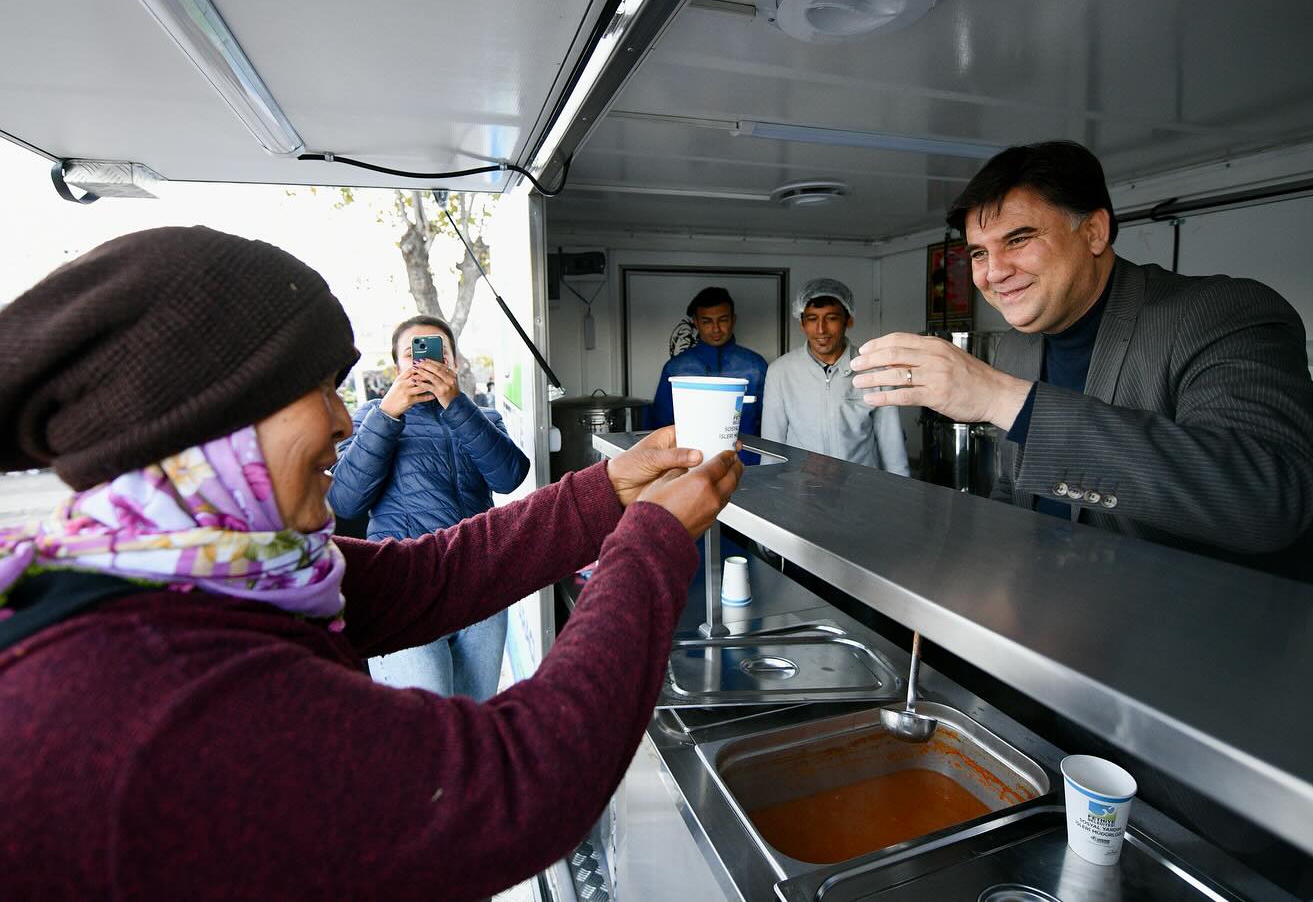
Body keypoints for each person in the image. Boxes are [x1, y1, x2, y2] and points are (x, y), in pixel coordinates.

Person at [0, 226, 742, 899]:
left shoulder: (213, 571)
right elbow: (516, 785)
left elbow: (430, 574)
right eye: (317, 389)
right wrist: (649, 543)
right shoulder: (155, 699)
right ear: (209, 418)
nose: (344, 418)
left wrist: (609, 490)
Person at [851, 139, 1313, 588]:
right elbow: (1015, 487)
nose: (994, 272)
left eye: (1018, 239)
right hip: (1068, 631)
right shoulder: (1017, 348)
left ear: (1093, 231)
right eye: (980, 252)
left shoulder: (1220, 312)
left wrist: (1002, 398)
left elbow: (1269, 499)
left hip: (1220, 654)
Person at [328, 315, 529, 704]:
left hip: (479, 582)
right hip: (403, 585)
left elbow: (509, 476)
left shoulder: (481, 416)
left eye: (438, 352)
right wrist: (387, 416)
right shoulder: (371, 417)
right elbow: (345, 499)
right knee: (423, 717)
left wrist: (457, 406)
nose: (424, 362)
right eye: (411, 353)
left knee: (475, 714)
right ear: (398, 366)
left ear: (452, 363)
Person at [762, 278, 910, 476]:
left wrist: (901, 494)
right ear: (802, 323)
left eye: (831, 318)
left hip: (860, 488)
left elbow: (892, 444)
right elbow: (772, 445)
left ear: (848, 320)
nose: (821, 329)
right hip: (800, 490)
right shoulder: (780, 372)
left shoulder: (874, 370)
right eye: (812, 319)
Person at [649, 286, 768, 436]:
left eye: (723, 320)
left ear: (733, 320)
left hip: (746, 456)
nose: (716, 329)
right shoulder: (676, 369)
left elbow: (770, 424)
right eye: (707, 322)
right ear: (696, 323)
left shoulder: (756, 366)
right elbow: (661, 426)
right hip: (692, 457)